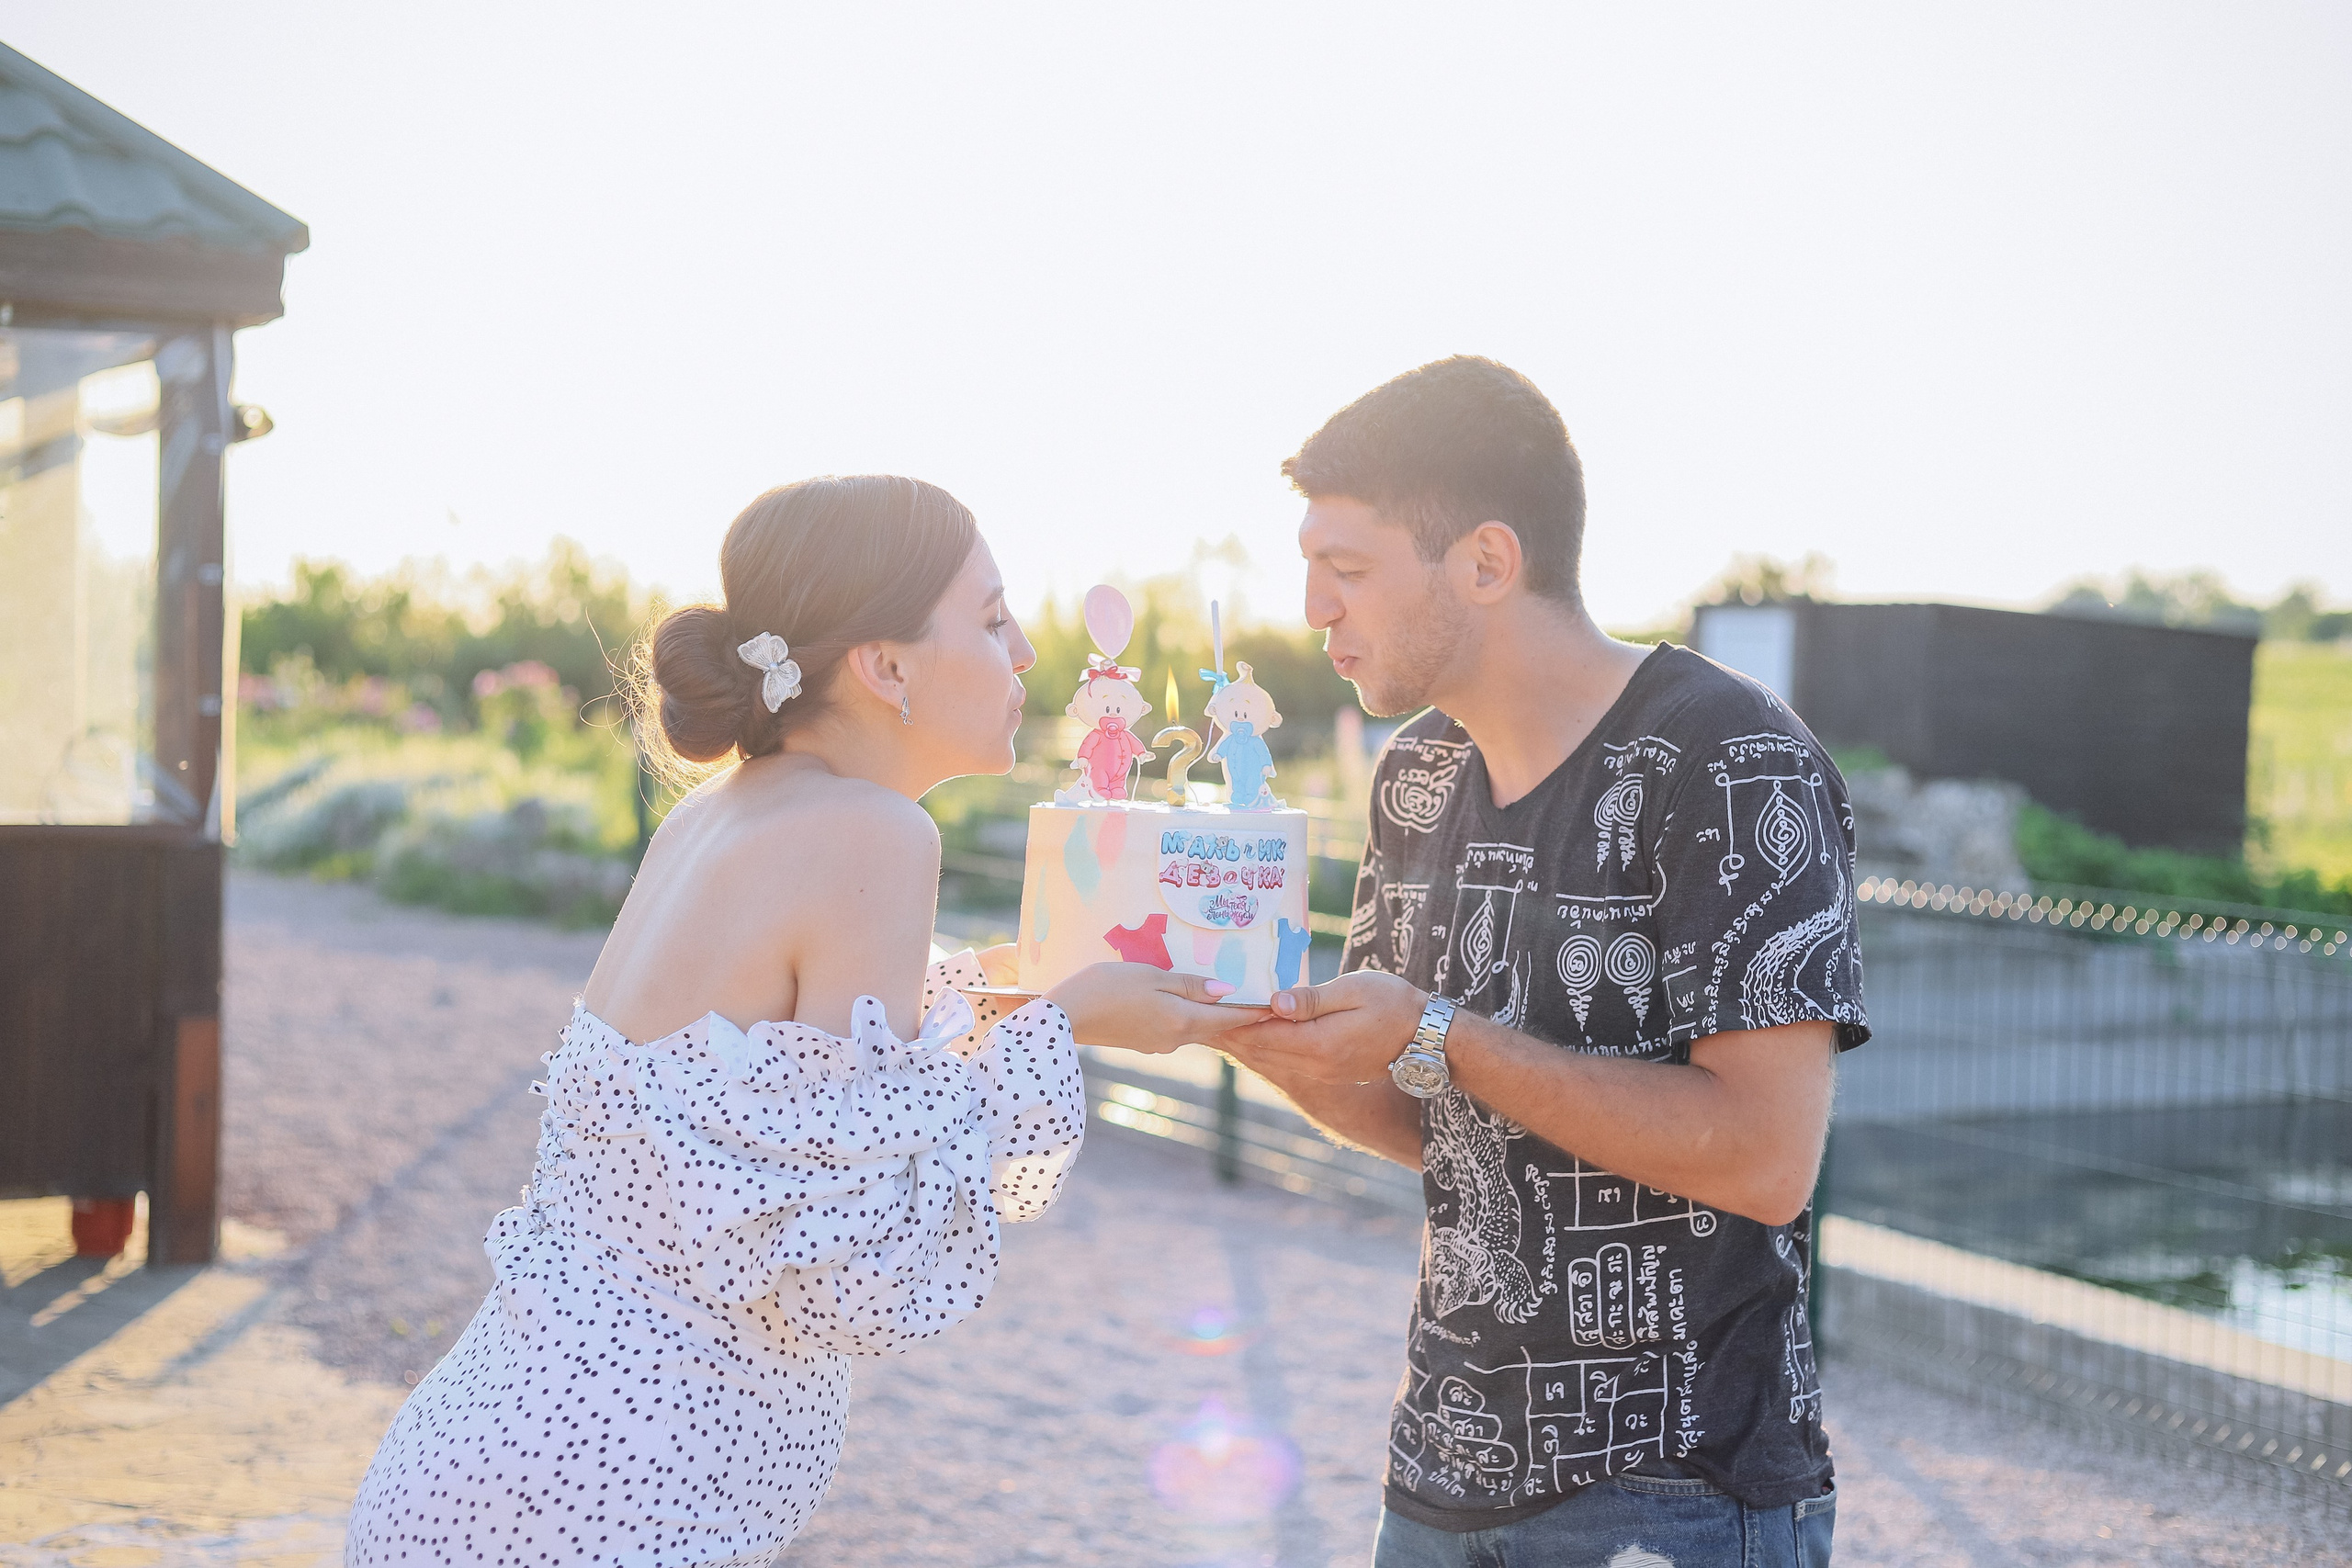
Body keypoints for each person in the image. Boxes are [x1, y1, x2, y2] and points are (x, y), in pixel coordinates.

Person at [345, 475, 1249, 1567]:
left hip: (503, 1455)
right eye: (991, 618)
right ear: (885, 666)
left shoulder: (716, 812)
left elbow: (786, 1110)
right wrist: (1054, 1034)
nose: (1021, 652)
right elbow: (855, 1268)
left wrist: (1005, 996)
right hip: (605, 1499)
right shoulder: (877, 833)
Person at [1217, 357, 1867, 1567]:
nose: (1312, 607)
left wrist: (1440, 1030)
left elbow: (1767, 1159)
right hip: (1436, 1471)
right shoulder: (1416, 772)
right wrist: (1230, 1013)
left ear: (1486, 561)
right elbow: (1419, 1118)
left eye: (1346, 567)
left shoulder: (1731, 756)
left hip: (1677, 1493)